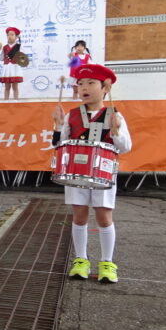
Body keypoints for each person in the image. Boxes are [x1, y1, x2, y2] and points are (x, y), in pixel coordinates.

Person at [51, 64, 132, 283]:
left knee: (104, 217)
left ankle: (107, 262)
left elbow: (125, 147)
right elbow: (58, 144)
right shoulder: (72, 115)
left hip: (104, 172)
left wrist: (116, 131)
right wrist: (58, 126)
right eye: (80, 84)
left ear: (105, 88)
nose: (84, 88)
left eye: (91, 83)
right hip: (75, 172)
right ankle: (81, 260)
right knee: (79, 216)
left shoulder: (114, 114)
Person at [0, 27, 23, 100]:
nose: (9, 36)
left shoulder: (19, 47)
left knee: (15, 87)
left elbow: (23, 58)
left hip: (15, 68)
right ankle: (6, 102)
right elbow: (1, 58)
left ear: (16, 36)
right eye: (8, 35)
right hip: (7, 68)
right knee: (7, 87)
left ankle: (16, 101)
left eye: (12, 35)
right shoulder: (4, 47)